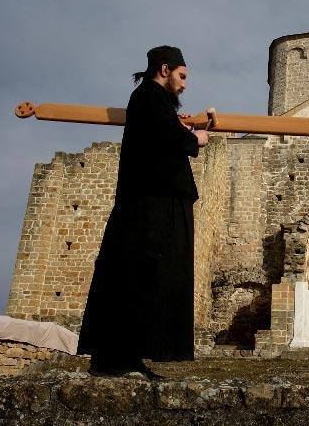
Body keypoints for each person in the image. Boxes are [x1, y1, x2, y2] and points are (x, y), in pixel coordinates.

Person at [77, 45, 209, 377]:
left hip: (158, 201)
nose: (184, 84)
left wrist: (181, 129)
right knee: (138, 277)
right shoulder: (148, 97)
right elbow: (166, 136)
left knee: (152, 279)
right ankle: (115, 359)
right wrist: (196, 139)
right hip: (151, 205)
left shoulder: (155, 102)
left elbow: (162, 132)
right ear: (164, 70)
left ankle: (130, 358)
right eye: (182, 76)